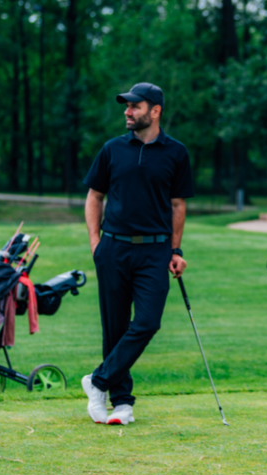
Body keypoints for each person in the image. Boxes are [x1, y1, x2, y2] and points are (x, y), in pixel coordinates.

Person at [81, 82, 194, 425]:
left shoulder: (176, 152)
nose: (127, 112)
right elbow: (94, 197)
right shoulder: (112, 149)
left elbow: (178, 205)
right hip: (113, 248)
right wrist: (94, 243)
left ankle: (98, 381)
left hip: (155, 251)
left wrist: (175, 249)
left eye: (135, 106)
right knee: (114, 327)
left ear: (155, 110)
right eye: (126, 106)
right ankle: (122, 402)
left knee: (147, 322)